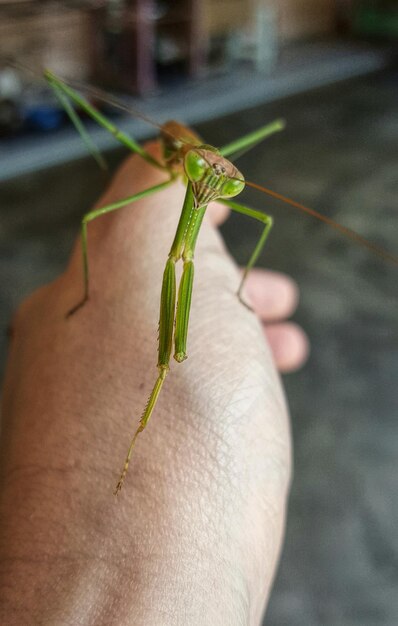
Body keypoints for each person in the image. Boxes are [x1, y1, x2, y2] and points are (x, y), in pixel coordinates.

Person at [0, 144, 308, 625]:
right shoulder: (174, 166)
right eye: (202, 179)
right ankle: (133, 436)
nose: (205, 192)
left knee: (186, 278)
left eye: (218, 189)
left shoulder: (202, 184)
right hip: (163, 160)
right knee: (123, 240)